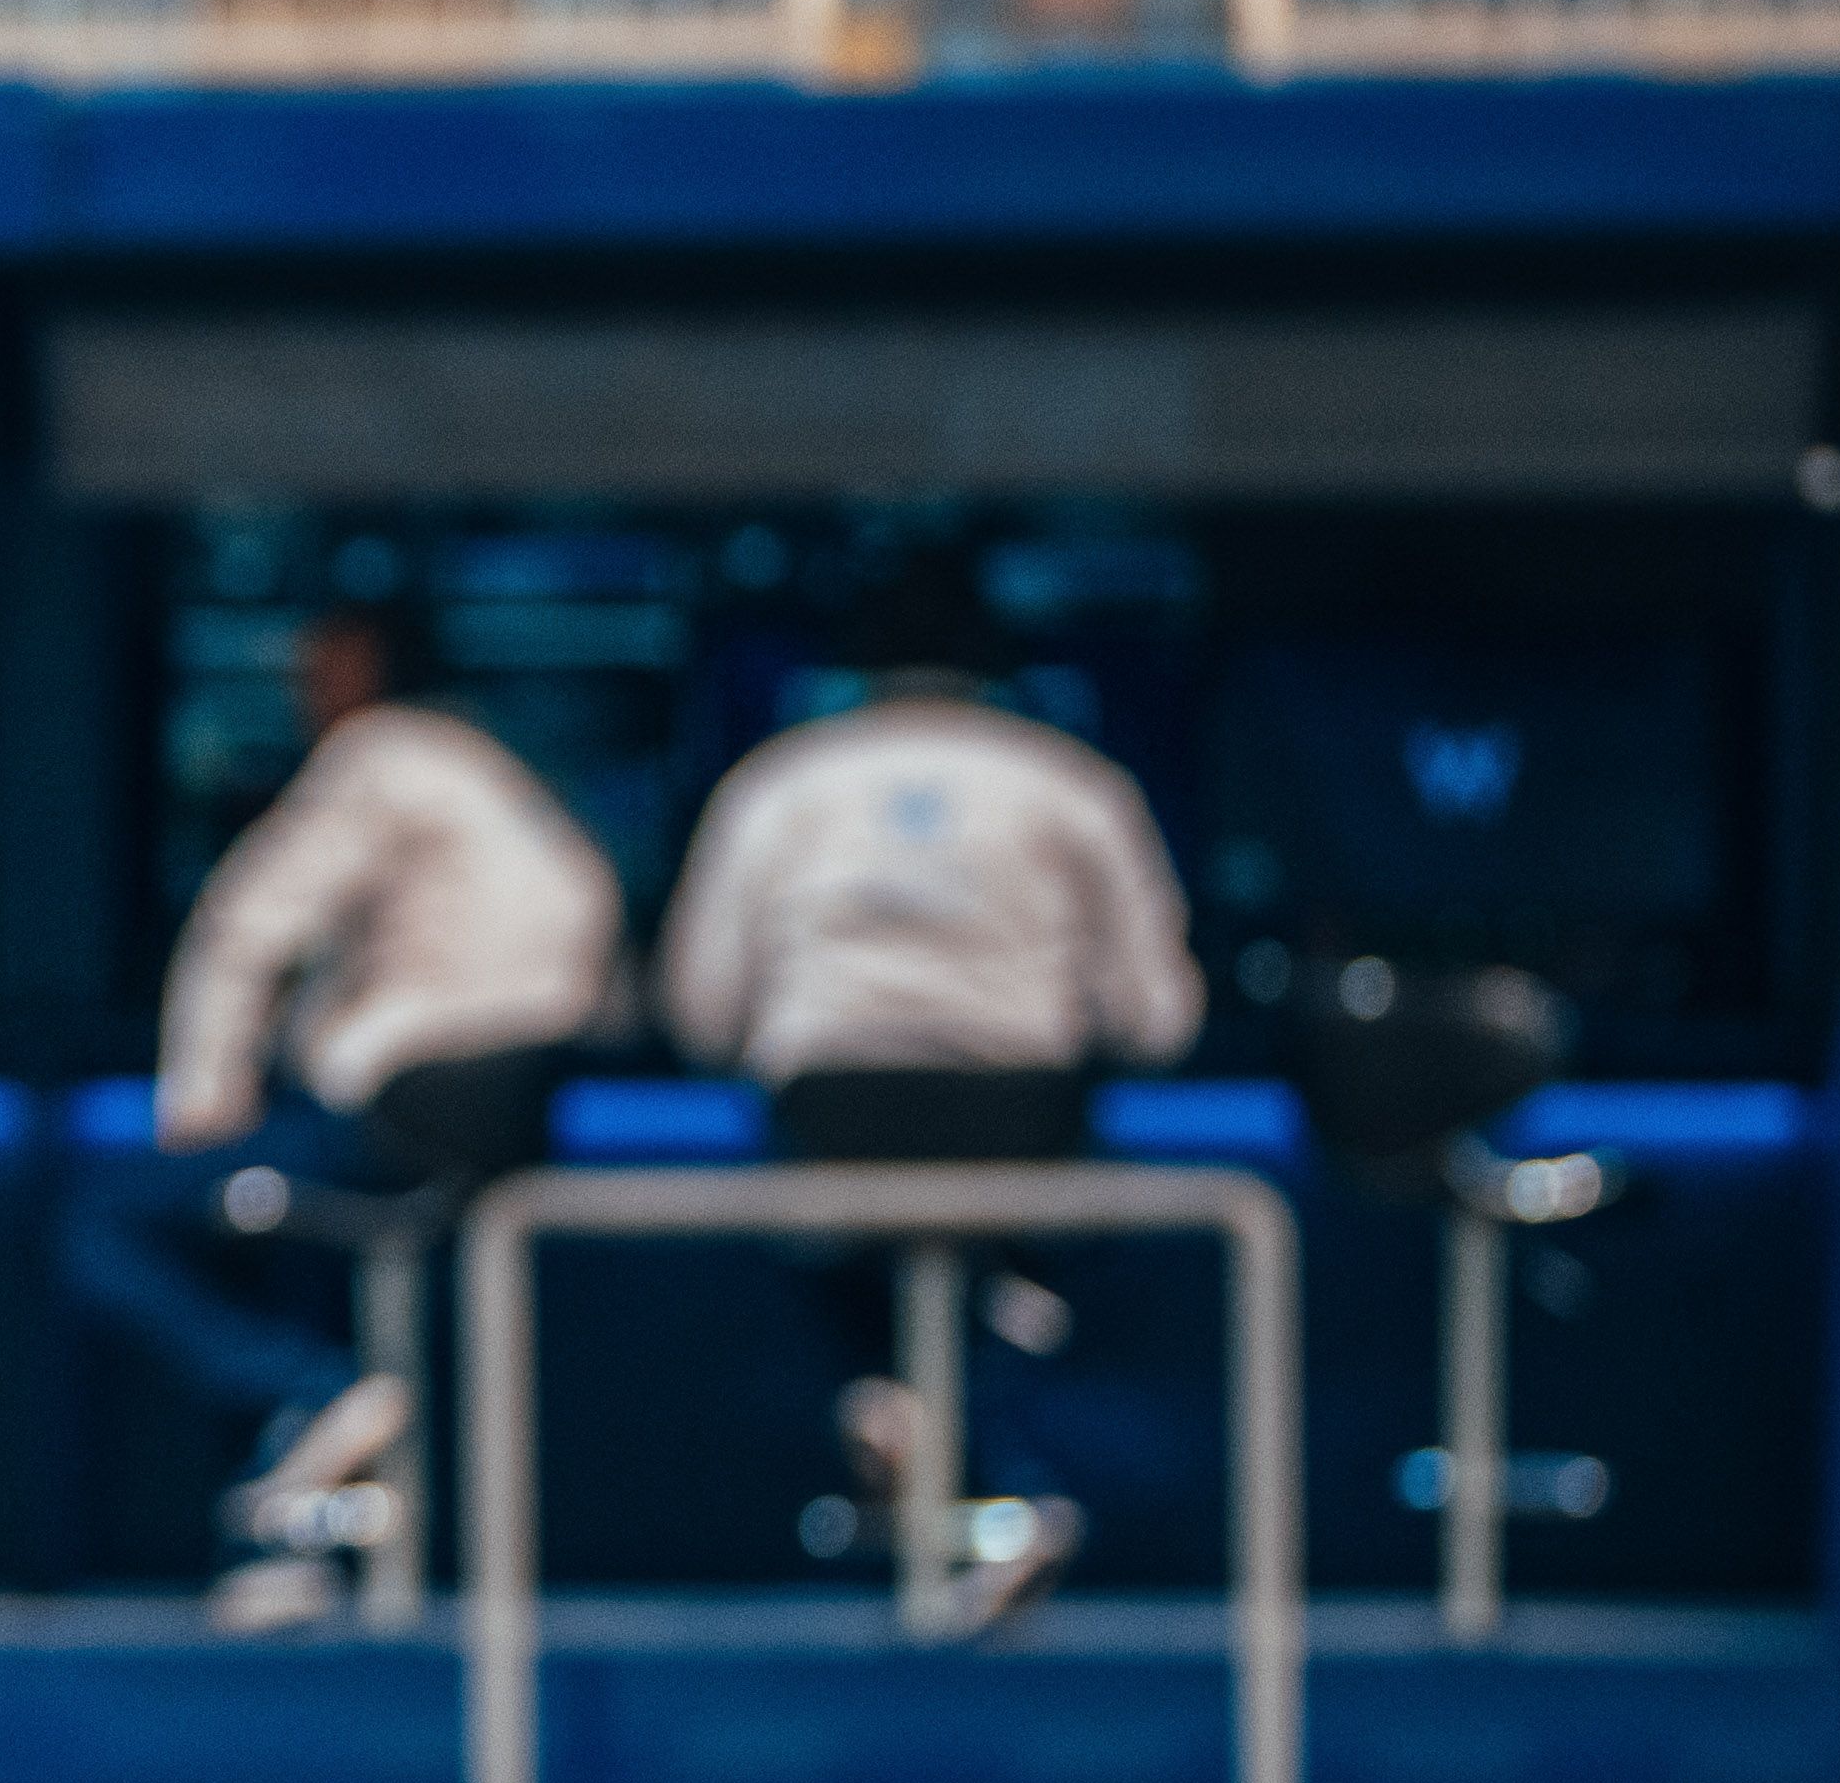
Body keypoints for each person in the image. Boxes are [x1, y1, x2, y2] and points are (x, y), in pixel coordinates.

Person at [71, 599, 623, 1586]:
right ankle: (298, 1518)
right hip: (514, 1120)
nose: (299, 691)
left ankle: (310, 1398)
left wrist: (199, 1098)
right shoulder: (501, 774)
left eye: (315, 668)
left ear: (368, 668)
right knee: (282, 1205)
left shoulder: (379, 757)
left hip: (408, 1114)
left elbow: (246, 925)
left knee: (109, 1221)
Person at [655, 550, 1199, 1172]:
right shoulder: (1074, 785)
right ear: (998, 658)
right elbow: (1158, 1019)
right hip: (1025, 1117)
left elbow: (702, 1014)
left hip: (827, 1117)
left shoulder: (775, 786)